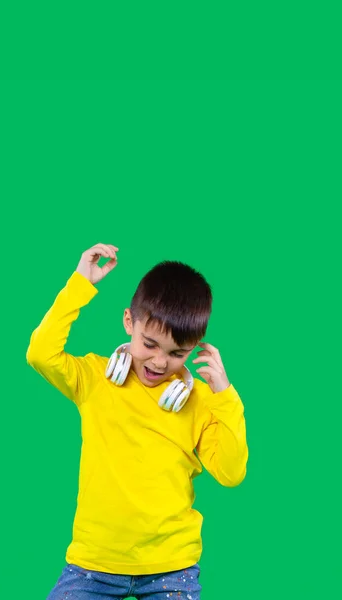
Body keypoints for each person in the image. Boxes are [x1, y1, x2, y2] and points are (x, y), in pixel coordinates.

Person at [26, 242, 248, 600]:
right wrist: (82, 282)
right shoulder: (96, 379)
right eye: (149, 344)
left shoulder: (201, 402)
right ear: (129, 321)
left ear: (196, 348)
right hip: (93, 565)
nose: (160, 362)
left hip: (171, 569)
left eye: (178, 353)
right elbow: (40, 353)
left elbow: (231, 472)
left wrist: (225, 397)